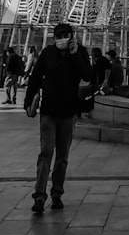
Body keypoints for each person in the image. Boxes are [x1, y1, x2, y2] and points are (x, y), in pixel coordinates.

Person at [24, 22, 94, 214]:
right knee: (46, 153)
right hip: (49, 111)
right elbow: (36, 77)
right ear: (54, 38)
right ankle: (39, 196)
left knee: (62, 157)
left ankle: (57, 194)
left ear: (72, 36)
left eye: (66, 35)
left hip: (68, 111)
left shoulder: (79, 53)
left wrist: (75, 54)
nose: (62, 39)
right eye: (59, 36)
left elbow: (87, 75)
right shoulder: (48, 53)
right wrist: (29, 100)